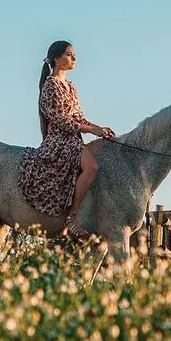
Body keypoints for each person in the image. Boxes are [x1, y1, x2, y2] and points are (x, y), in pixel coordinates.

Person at [17, 40, 115, 239]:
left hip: (74, 138)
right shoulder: (50, 86)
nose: (74, 59)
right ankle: (71, 217)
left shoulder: (71, 87)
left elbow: (79, 117)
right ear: (56, 58)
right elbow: (60, 120)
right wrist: (92, 131)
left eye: (74, 55)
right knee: (92, 167)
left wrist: (99, 128)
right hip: (59, 140)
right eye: (69, 55)